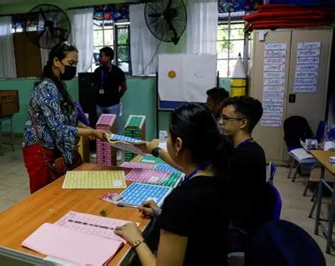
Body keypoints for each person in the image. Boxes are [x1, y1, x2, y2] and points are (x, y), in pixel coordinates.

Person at [114, 103, 230, 266]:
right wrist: (163, 214)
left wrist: (137, 240)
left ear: (178, 145)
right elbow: (198, 226)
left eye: (168, 137)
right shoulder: (222, 175)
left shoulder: (181, 200)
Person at [22, 42, 109, 193]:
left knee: (58, 195)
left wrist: (88, 128)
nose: (73, 68)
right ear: (56, 61)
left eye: (75, 64)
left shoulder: (58, 85)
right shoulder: (46, 88)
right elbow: (59, 128)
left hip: (55, 150)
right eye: (70, 63)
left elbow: (70, 119)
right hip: (41, 151)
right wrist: (91, 133)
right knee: (43, 197)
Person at [218, 96, 270, 252]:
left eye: (225, 118)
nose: (220, 122)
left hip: (238, 230)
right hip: (242, 221)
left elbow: (216, 193)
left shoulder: (244, 156)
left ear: (242, 123)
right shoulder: (250, 148)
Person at [94, 46, 127, 132]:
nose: (99, 58)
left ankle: (115, 145)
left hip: (113, 105)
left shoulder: (118, 71)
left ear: (108, 57)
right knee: (101, 129)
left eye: (101, 56)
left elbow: (124, 87)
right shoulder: (97, 71)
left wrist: (116, 98)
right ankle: (104, 146)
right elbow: (94, 86)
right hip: (100, 105)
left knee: (114, 129)